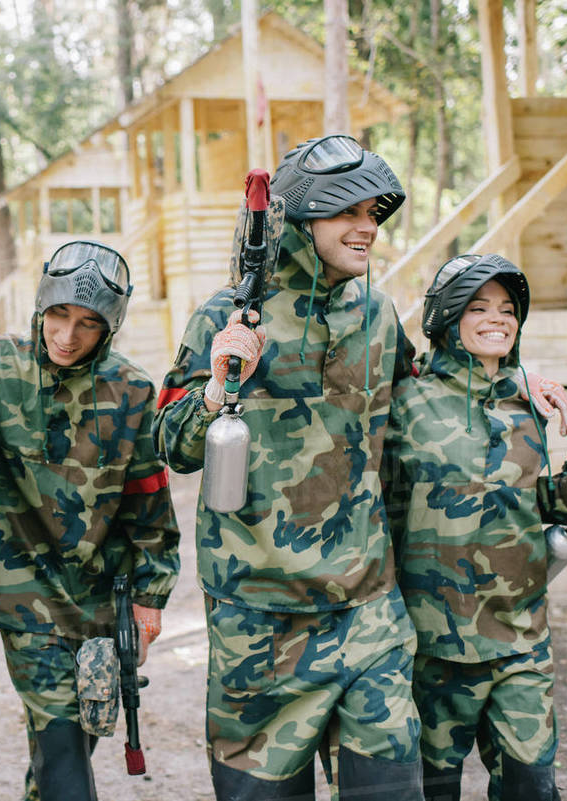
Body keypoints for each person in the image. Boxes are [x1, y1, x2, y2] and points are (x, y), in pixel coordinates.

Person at [154, 135, 425, 800]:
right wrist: (217, 388)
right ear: (301, 218)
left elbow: (428, 393)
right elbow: (172, 441)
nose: (368, 228)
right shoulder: (227, 314)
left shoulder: (378, 312)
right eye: (348, 213)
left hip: (369, 611)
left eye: (374, 213)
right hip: (261, 623)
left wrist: (517, 382)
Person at [382, 254, 567, 801]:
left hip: (521, 638)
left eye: (509, 310)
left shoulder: (525, 403)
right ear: (446, 316)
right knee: (434, 789)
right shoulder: (405, 402)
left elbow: (525, 500)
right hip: (433, 648)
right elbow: (382, 512)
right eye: (478, 306)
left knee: (532, 786)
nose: (498, 318)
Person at [0, 241, 181, 800]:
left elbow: (148, 502)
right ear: (40, 306)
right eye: (58, 315)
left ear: (109, 328)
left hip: (101, 600)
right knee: (62, 744)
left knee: (78, 737)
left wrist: (150, 598)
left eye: (87, 323)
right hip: (24, 594)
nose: (67, 336)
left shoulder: (132, 391)